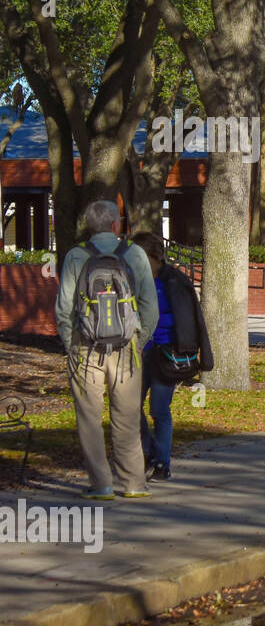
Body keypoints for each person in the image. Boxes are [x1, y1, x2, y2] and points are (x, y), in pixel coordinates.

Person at [54, 201, 158, 499]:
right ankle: (134, 483)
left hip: (85, 348)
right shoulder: (135, 254)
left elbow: (64, 309)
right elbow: (150, 307)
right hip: (127, 349)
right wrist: (139, 339)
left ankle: (101, 485)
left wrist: (71, 344)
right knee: (127, 416)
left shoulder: (76, 256)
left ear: (89, 226)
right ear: (116, 224)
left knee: (89, 418)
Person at [131, 232, 213, 482]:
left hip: (168, 354)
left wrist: (195, 352)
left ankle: (162, 463)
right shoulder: (132, 280)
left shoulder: (174, 280)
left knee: (159, 409)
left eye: (139, 256)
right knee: (132, 407)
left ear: (153, 255)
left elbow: (192, 319)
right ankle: (148, 452)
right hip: (140, 352)